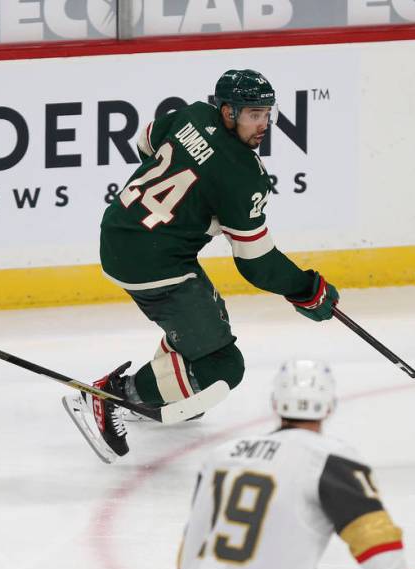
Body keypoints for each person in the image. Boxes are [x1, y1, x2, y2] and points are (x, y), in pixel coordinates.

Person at [64, 69, 340, 462]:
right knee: (223, 366)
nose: (263, 125)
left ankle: (169, 382)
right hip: (154, 262)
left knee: (211, 316)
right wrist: (307, 289)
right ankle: (114, 395)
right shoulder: (243, 175)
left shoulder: (192, 113)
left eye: (266, 114)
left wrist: (188, 198)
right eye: (252, 115)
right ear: (228, 111)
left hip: (119, 231)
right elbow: (256, 264)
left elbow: (143, 143)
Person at [170, 360, 415, 569]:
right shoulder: (330, 459)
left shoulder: (221, 457)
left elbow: (188, 555)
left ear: (275, 403)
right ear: (330, 406)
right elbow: (380, 549)